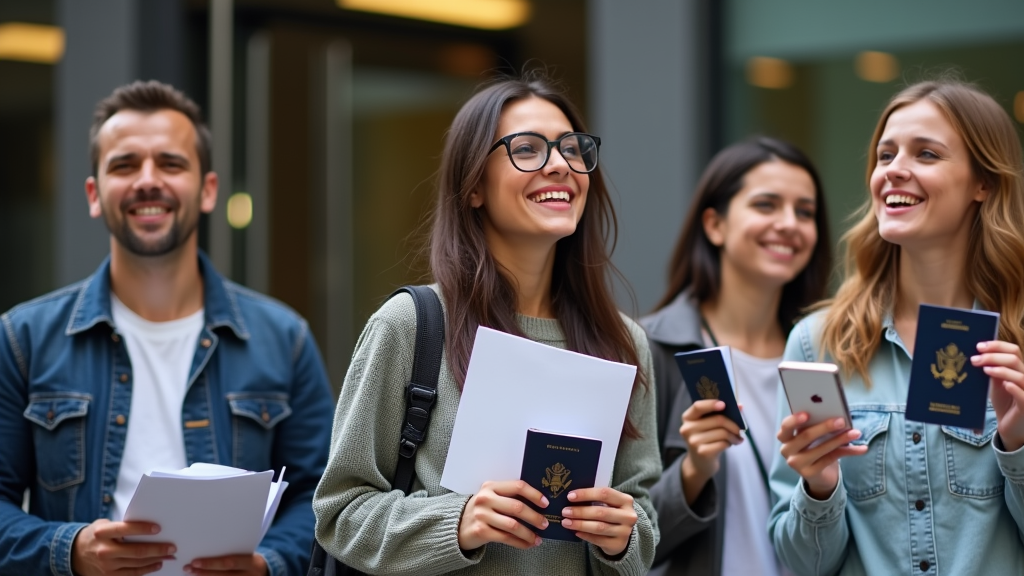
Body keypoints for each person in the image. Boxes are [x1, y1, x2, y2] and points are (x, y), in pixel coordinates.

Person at [312, 73, 662, 575]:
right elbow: (340, 512)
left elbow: (642, 514)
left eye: (572, 149)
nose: (560, 165)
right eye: (527, 149)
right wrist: (458, 522)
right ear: (473, 186)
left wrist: (622, 537)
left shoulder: (623, 341)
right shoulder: (410, 325)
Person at [0, 81, 335, 576]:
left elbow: (325, 497)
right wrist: (70, 550)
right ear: (94, 194)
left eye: (171, 163)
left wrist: (268, 564)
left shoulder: (284, 339)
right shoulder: (23, 339)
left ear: (208, 190)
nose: (148, 180)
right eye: (125, 164)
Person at [769, 79, 1024, 575]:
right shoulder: (817, 342)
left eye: (926, 154)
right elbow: (801, 565)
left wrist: (1018, 445)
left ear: (983, 183)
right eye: (885, 156)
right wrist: (819, 485)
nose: (894, 172)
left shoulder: (1018, 342)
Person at [640, 138, 831, 576]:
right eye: (766, 205)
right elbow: (621, 546)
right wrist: (694, 471)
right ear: (715, 225)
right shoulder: (650, 350)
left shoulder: (827, 352)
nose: (789, 224)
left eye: (805, 212)